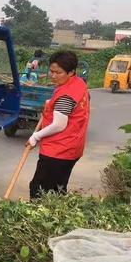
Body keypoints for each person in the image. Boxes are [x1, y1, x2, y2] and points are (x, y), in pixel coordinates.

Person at [27, 51, 90, 199]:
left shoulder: (66, 96)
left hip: (59, 150)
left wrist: (35, 136)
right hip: (73, 146)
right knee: (57, 188)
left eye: (58, 72)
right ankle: (58, 216)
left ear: (71, 72)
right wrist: (51, 104)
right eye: (51, 71)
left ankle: (37, 220)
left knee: (39, 190)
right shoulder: (79, 83)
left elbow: (59, 125)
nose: (53, 76)